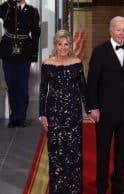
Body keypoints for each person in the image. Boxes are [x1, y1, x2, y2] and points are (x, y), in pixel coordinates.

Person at [86, 16, 124, 194]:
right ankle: (101, 188)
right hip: (104, 112)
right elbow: (92, 83)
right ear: (110, 30)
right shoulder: (99, 52)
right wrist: (93, 108)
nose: (122, 33)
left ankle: (118, 187)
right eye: (118, 29)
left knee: (122, 154)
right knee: (103, 153)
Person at [39, 29, 87, 194]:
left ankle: (74, 188)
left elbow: (83, 89)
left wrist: (90, 110)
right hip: (54, 113)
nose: (63, 47)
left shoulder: (77, 62)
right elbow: (43, 91)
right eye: (60, 44)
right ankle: (58, 188)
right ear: (55, 45)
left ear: (70, 46)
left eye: (66, 44)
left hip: (73, 113)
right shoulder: (47, 64)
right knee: (56, 151)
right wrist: (42, 114)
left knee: (73, 150)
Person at [0, 0, 41, 128]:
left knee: (22, 85)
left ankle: (20, 117)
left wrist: (34, 54)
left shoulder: (32, 11)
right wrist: (10, 2)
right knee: (11, 84)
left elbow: (36, 34)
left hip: (24, 52)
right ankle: (13, 116)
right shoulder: (8, 8)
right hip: (8, 51)